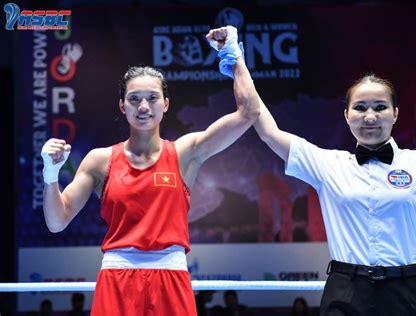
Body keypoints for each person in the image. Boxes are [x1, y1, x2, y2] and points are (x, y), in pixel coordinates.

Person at [40, 25, 259, 316]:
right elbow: (57, 222)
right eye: (134, 99)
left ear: (166, 104)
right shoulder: (99, 161)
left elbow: (249, 113)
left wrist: (234, 54)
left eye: (152, 98)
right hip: (116, 281)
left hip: (171, 279)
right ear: (122, 106)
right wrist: (50, 176)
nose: (143, 106)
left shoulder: (185, 152)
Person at [251, 73, 416, 315]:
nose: (370, 116)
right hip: (346, 291)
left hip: (409, 291)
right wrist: (236, 60)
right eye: (360, 107)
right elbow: (268, 132)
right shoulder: (327, 164)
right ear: (347, 115)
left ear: (395, 113)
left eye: (380, 107)